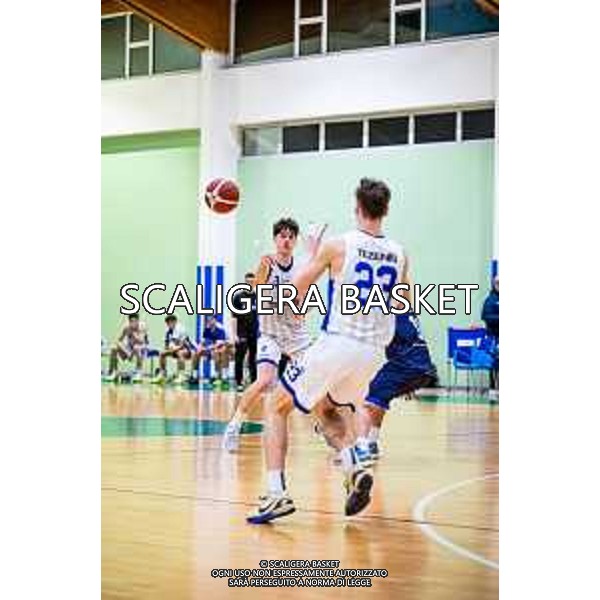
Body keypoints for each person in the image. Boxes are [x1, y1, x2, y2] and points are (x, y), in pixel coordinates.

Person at [246, 177, 408, 524]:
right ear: (386, 210)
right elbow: (403, 302)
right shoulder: (399, 253)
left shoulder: (338, 245)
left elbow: (296, 290)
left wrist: (310, 253)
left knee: (276, 406)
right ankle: (354, 467)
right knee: (327, 410)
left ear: (357, 208)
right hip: (373, 355)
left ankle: (275, 494)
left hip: (338, 343)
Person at [222, 218, 312, 452]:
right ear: (275, 239)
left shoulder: (300, 266)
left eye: (291, 236)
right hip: (271, 333)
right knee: (264, 381)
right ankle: (234, 426)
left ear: (296, 240)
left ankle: (325, 426)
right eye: (282, 236)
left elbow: (304, 302)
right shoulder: (267, 263)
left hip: (295, 334)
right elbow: (256, 294)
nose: (287, 240)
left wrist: (299, 307)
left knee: (315, 378)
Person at [354, 312, 437, 466]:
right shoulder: (408, 313)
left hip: (405, 366)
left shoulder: (389, 315)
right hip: (422, 368)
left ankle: (362, 449)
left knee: (366, 402)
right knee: (379, 400)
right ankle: (372, 443)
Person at [230, 272, 259, 392]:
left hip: (255, 332)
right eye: (248, 282)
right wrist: (234, 335)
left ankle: (254, 382)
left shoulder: (258, 297)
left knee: (253, 358)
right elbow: (234, 317)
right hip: (242, 332)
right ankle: (239, 382)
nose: (250, 284)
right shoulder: (238, 297)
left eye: (252, 282)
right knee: (240, 358)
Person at [151, 315, 196, 385]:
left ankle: (181, 375)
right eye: (168, 323)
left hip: (189, 349)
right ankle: (162, 374)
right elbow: (166, 345)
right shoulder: (168, 331)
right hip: (176, 349)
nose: (169, 325)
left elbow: (182, 345)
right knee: (162, 353)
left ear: (175, 322)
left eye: (171, 322)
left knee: (180, 353)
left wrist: (172, 349)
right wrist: (168, 349)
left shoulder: (180, 329)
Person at [104, 313, 148, 382]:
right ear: (129, 321)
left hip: (141, 348)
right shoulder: (126, 327)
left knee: (136, 347)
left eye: (135, 321)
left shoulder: (142, 327)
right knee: (114, 348)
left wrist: (133, 334)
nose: (133, 323)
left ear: (138, 321)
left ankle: (138, 372)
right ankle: (114, 372)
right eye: (131, 321)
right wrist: (124, 349)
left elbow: (141, 341)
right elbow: (119, 340)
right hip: (129, 349)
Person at [191, 315, 232, 388]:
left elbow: (219, 344)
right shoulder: (207, 329)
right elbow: (203, 341)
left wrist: (207, 349)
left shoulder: (220, 329)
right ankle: (194, 376)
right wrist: (199, 347)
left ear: (215, 320)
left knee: (217, 352)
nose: (209, 321)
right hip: (211, 348)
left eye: (211, 319)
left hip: (224, 347)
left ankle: (219, 376)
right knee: (195, 353)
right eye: (208, 320)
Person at [481, 275, 499, 388]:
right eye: (498, 283)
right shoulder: (490, 300)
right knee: (495, 362)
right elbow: (486, 316)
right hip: (495, 336)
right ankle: (494, 386)